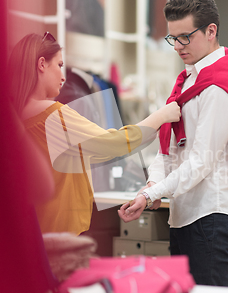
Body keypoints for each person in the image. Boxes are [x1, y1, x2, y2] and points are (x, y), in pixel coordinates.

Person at [119, 0, 228, 287]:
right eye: (172, 38)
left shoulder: (218, 86)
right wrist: (152, 184)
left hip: (211, 213)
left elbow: (200, 162)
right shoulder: (187, 80)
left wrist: (151, 195)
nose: (177, 46)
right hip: (183, 213)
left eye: (185, 37)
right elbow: (166, 151)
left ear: (211, 31)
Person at [7, 32, 180, 236]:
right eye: (60, 65)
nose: (64, 77)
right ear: (42, 64)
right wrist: (162, 115)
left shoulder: (15, 118)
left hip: (33, 231)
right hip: (59, 234)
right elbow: (114, 143)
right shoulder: (52, 116)